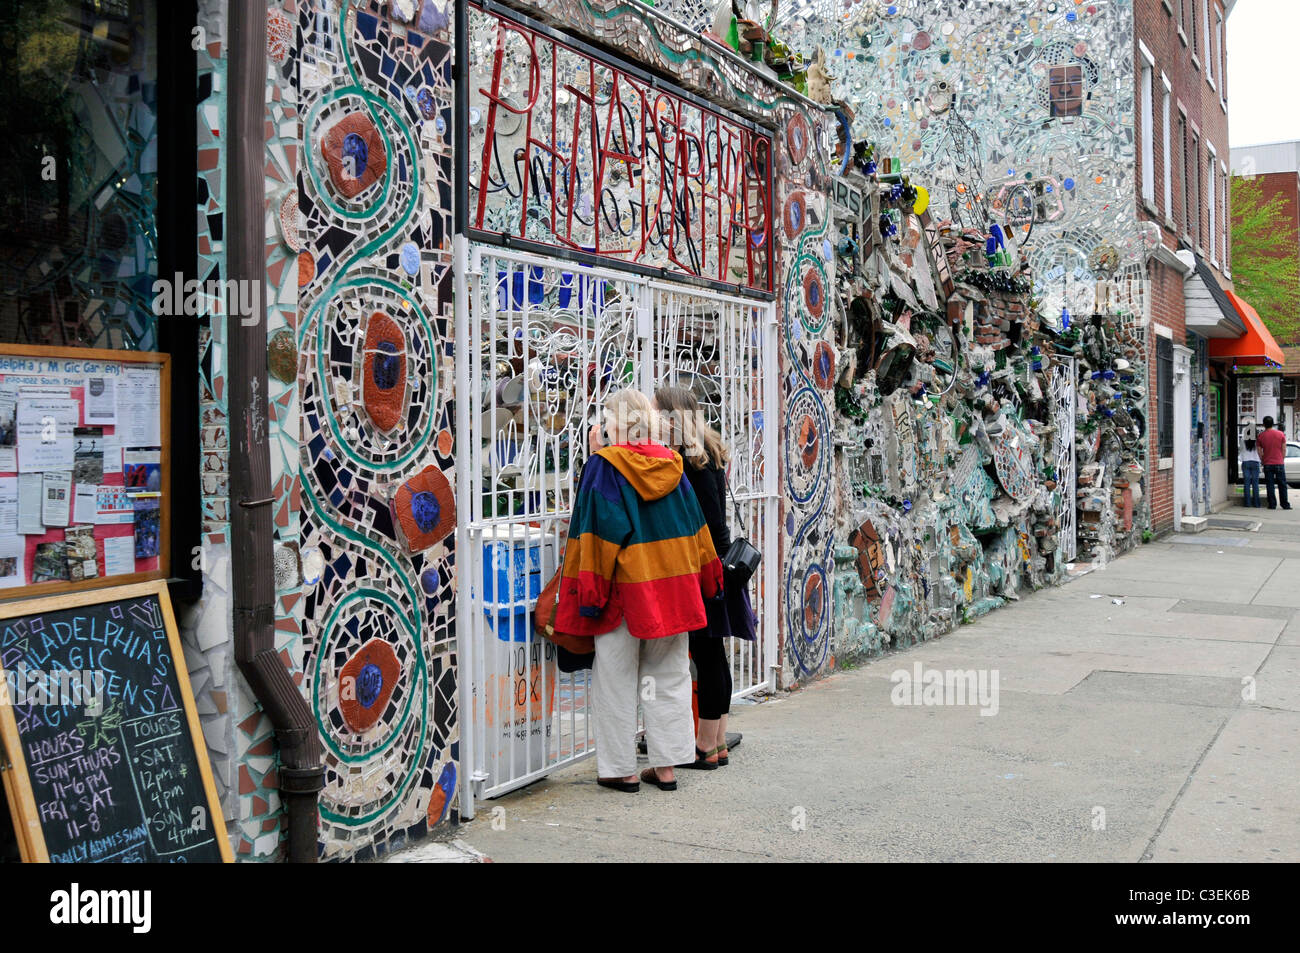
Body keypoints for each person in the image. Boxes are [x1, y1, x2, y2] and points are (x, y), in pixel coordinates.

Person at [556, 388, 723, 793]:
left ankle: (621, 770)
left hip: (623, 594)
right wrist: (709, 578)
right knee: (669, 678)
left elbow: (596, 535)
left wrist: (589, 596)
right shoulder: (674, 465)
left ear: (613, 424)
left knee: (616, 680)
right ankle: (666, 769)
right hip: (674, 591)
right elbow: (695, 529)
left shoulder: (605, 468)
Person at [653, 386, 757, 771]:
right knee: (714, 656)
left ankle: (703, 746)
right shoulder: (708, 451)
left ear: (673, 417)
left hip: (706, 567)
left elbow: (710, 522)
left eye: (657, 413)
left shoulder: (689, 460)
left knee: (707, 654)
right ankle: (715, 744)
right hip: (721, 563)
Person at [1257, 416, 1291, 510]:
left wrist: (1263, 460)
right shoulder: (1280, 434)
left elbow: (1259, 451)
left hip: (1268, 463)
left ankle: (1272, 504)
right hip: (1279, 462)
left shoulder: (1261, 436)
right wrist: (1281, 459)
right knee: (1282, 484)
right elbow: (1284, 449)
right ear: (1273, 423)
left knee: (1270, 485)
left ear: (1264, 424)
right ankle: (1285, 504)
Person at [1240, 422, 1262, 508]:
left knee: (1246, 483)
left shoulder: (1242, 439)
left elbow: (1241, 450)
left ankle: (1247, 503)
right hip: (1255, 462)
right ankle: (1257, 503)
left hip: (1245, 461)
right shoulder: (1258, 440)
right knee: (1255, 484)